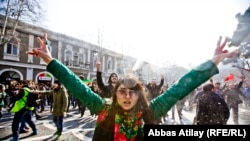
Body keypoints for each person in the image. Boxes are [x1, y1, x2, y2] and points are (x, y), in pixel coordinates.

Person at [26, 33, 238, 141]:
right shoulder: (103, 107)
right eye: (122, 91)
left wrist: (213, 62)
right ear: (115, 94)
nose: (127, 96)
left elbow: (181, 87)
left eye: (132, 92)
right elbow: (74, 83)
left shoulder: (152, 110)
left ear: (140, 95)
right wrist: (50, 60)